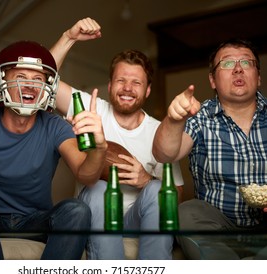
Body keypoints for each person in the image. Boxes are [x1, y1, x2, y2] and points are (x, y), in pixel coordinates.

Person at [0, 30, 108, 258]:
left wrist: (99, 147)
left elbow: (86, 174)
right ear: (2, 80)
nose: (30, 86)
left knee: (77, 211)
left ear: (48, 87)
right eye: (21, 77)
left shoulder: (54, 126)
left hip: (34, 220)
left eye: (38, 80)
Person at [49, 19, 184, 259]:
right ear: (110, 85)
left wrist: (146, 179)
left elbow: (178, 195)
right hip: (95, 212)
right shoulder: (90, 108)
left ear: (147, 90)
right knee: (99, 187)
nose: (127, 88)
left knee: (157, 189)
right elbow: (44, 81)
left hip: (137, 220)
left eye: (136, 82)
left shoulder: (161, 133)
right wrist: (69, 36)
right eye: (121, 80)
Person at [153, 38, 267, 259]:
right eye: (226, 64)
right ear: (212, 80)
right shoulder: (200, 116)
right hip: (218, 229)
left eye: (246, 63)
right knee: (187, 212)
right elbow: (164, 154)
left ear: (259, 76)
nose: (237, 69)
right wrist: (174, 119)